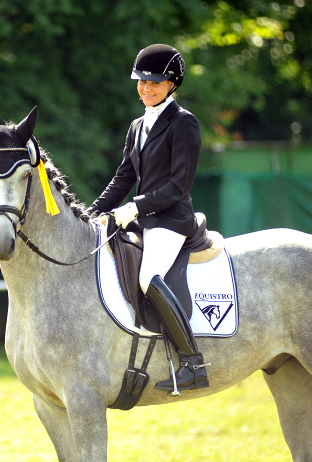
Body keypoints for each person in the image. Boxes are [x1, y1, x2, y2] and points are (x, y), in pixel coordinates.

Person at [88, 44, 208, 392]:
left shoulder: (183, 123)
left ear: (172, 84)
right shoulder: (137, 125)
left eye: (154, 83)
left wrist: (135, 207)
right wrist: (92, 211)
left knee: (148, 278)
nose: (145, 88)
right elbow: (123, 177)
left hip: (171, 219)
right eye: (141, 81)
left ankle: (192, 362)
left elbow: (179, 184)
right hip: (144, 218)